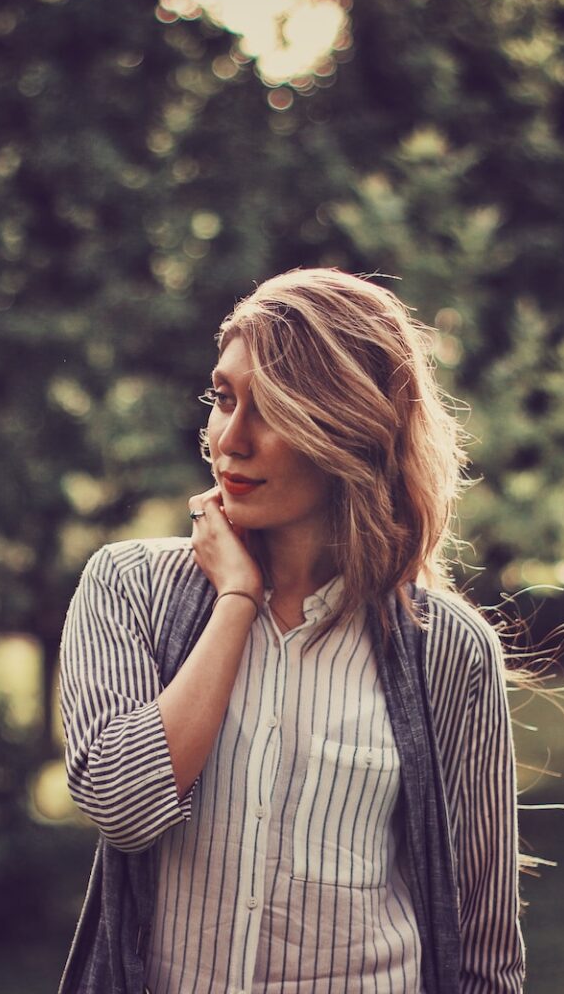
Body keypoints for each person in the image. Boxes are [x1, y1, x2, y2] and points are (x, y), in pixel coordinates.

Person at [57, 268, 526, 994]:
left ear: (352, 429)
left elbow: (484, 952)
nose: (228, 439)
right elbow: (124, 805)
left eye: (271, 408)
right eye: (223, 399)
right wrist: (237, 600)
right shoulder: (129, 588)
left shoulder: (448, 648)